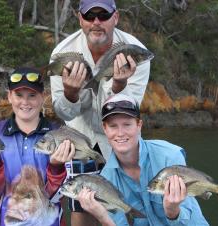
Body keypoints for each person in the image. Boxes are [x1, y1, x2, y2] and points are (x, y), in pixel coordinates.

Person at [50, 0, 151, 225]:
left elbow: (128, 111)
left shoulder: (135, 53)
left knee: (121, 203)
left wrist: (117, 87)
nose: (96, 22)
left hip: (120, 138)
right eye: (90, 15)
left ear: (116, 17)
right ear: (80, 19)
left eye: (103, 15)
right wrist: (70, 92)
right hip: (79, 141)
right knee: (80, 207)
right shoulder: (62, 54)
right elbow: (64, 113)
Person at [77, 93, 209, 226]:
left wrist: (172, 211)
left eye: (127, 124)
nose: (120, 133)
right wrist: (102, 217)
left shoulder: (170, 155)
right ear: (105, 129)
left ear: (139, 125)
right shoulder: (106, 178)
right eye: (113, 126)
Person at [0, 67, 75, 226]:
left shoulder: (59, 134)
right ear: (9, 96)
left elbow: (60, 194)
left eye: (32, 95)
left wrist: (56, 167)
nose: (25, 102)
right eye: (18, 95)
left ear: (42, 97)